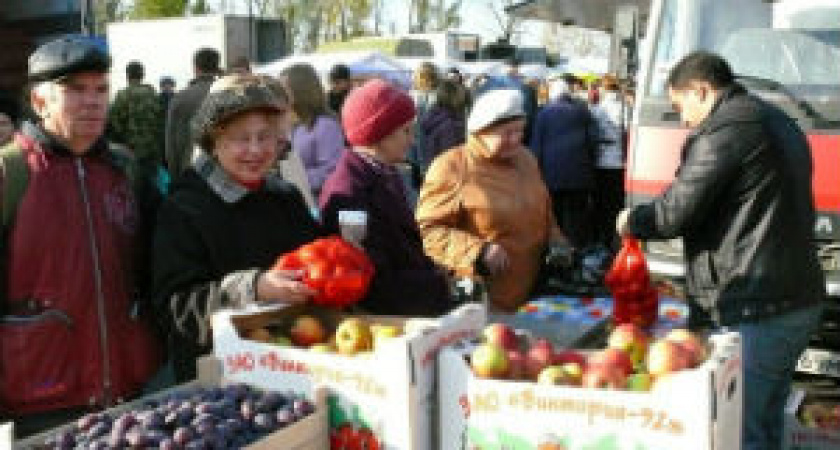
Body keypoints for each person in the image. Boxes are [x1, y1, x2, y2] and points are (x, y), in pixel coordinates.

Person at [615, 52, 824, 450]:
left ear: (701, 90)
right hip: (796, 297)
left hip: (757, 305)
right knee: (767, 419)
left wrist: (632, 220)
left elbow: (673, 213)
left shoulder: (725, 130)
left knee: (741, 431)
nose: (683, 121)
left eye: (680, 107)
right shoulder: (777, 120)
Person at [1, 35, 161, 436]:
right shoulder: (9, 173)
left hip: (128, 394)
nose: (92, 101)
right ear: (40, 101)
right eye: (75, 90)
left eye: (101, 89)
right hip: (37, 404)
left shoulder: (125, 169)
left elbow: (160, 264)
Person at [153, 74, 320, 382]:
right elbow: (177, 307)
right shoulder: (184, 208)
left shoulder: (285, 198)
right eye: (241, 139)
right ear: (215, 142)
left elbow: (316, 262)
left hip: (294, 365)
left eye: (265, 137)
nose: (255, 150)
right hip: (221, 379)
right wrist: (253, 288)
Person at [417, 89, 569, 313]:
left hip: (533, 297)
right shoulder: (452, 166)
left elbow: (543, 209)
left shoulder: (526, 159)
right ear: (480, 131)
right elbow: (428, 231)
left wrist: (557, 241)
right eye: (506, 133)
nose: (516, 140)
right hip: (483, 300)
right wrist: (478, 251)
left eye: (520, 131)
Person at [320, 79, 452, 316]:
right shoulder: (350, 192)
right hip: (384, 322)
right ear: (379, 133)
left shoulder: (382, 172)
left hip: (408, 310)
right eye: (406, 131)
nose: (412, 140)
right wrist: (436, 282)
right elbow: (373, 282)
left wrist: (433, 271)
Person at [529, 76, 597, 248]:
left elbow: (536, 147)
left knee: (555, 216)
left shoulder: (543, 114)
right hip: (579, 175)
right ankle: (576, 251)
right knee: (576, 218)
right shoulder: (583, 112)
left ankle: (557, 252)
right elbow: (593, 141)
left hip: (551, 176)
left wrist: (535, 173)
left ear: (552, 95)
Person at [282, 63, 345, 200]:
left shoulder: (325, 125)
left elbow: (332, 171)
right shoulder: (292, 122)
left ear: (300, 90)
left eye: (284, 88)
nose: (281, 94)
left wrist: (293, 178)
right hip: (295, 198)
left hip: (318, 202)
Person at [165, 47, 220, 176]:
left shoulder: (180, 98)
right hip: (224, 172)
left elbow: (171, 143)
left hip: (190, 170)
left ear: (195, 68)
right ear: (217, 68)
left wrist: (175, 174)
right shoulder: (230, 96)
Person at [589, 74, 627, 248]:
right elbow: (627, 134)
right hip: (618, 161)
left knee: (600, 203)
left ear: (604, 89)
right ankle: (615, 237)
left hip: (600, 161)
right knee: (616, 203)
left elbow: (592, 135)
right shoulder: (625, 108)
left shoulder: (597, 109)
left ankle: (601, 239)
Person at [110, 60, 165, 172]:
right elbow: (161, 121)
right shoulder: (153, 94)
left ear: (127, 75)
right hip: (153, 149)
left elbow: (115, 123)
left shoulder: (123, 95)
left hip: (131, 150)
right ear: (142, 75)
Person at [418, 79, 467, 172]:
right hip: (448, 172)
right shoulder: (451, 123)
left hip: (431, 169)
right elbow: (451, 155)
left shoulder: (432, 116)